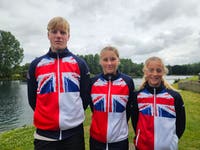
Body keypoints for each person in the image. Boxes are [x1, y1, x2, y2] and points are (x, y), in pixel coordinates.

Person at [27, 16, 90, 150]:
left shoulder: (80, 64)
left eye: (63, 32)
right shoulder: (36, 65)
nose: (58, 36)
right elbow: (33, 99)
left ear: (68, 36)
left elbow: (85, 97)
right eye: (54, 32)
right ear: (48, 35)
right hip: (45, 135)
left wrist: (71, 117)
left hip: (74, 134)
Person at [131, 56, 186, 150]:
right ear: (145, 72)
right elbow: (135, 121)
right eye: (151, 70)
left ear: (163, 72)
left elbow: (181, 124)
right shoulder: (137, 96)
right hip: (142, 147)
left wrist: (172, 141)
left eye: (159, 70)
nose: (155, 74)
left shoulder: (175, 97)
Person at [89, 46, 135, 150]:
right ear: (100, 62)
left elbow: (129, 109)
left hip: (119, 139)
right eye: (105, 60)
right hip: (96, 139)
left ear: (118, 60)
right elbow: (93, 108)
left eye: (113, 59)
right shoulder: (93, 82)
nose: (109, 63)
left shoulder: (128, 82)